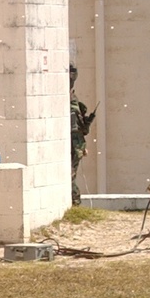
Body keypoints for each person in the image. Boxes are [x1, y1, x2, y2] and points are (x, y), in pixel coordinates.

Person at [70, 64, 95, 206]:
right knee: (70, 175)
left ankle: (75, 202)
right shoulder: (72, 100)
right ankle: (74, 201)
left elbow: (82, 129)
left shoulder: (73, 101)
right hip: (75, 144)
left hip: (75, 145)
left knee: (70, 175)